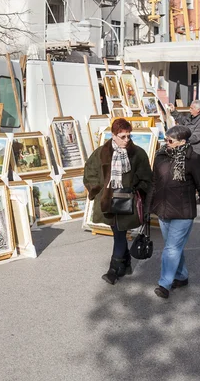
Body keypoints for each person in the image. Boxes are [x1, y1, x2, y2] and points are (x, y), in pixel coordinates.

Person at [146, 125, 200, 299]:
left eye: (170, 141)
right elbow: (154, 184)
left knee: (171, 249)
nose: (166, 143)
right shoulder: (160, 156)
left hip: (183, 213)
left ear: (182, 142)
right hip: (163, 210)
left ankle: (164, 284)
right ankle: (181, 277)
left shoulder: (193, 160)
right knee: (173, 248)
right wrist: (147, 207)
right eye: (165, 140)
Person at [84, 118, 153, 285]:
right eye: (122, 136)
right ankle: (127, 263)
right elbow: (89, 172)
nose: (127, 140)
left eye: (129, 136)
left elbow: (147, 178)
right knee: (118, 232)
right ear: (113, 135)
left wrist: (136, 187)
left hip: (127, 200)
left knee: (120, 233)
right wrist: (98, 190)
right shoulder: (101, 152)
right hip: (107, 201)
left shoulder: (138, 153)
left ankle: (113, 270)